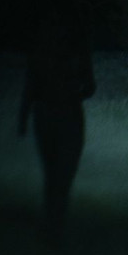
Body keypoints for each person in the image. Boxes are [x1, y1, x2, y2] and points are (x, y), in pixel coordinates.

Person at [18, 13, 96, 242]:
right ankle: (54, 225)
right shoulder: (76, 51)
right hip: (67, 114)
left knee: (54, 174)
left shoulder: (42, 50)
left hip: (48, 115)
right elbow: (90, 87)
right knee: (61, 175)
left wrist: (23, 119)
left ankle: (52, 225)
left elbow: (30, 88)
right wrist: (74, 91)